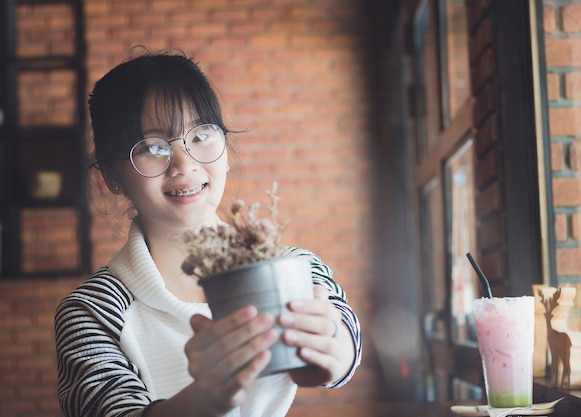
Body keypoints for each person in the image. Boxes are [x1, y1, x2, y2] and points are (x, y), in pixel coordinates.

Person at [54, 50, 362, 417]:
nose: (185, 164)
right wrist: (206, 399)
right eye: (153, 147)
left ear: (225, 150)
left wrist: (332, 351)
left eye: (201, 135)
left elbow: (346, 340)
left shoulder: (293, 268)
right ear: (111, 176)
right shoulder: (90, 311)